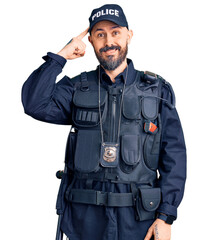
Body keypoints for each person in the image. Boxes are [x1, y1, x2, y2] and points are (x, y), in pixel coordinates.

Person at [21, 4, 186, 240]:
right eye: (100, 34)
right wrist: (61, 57)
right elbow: (33, 103)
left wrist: (166, 216)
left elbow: (175, 157)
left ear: (129, 34)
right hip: (84, 221)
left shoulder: (156, 91)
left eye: (115, 32)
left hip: (139, 223)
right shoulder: (77, 88)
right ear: (90, 40)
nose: (108, 41)